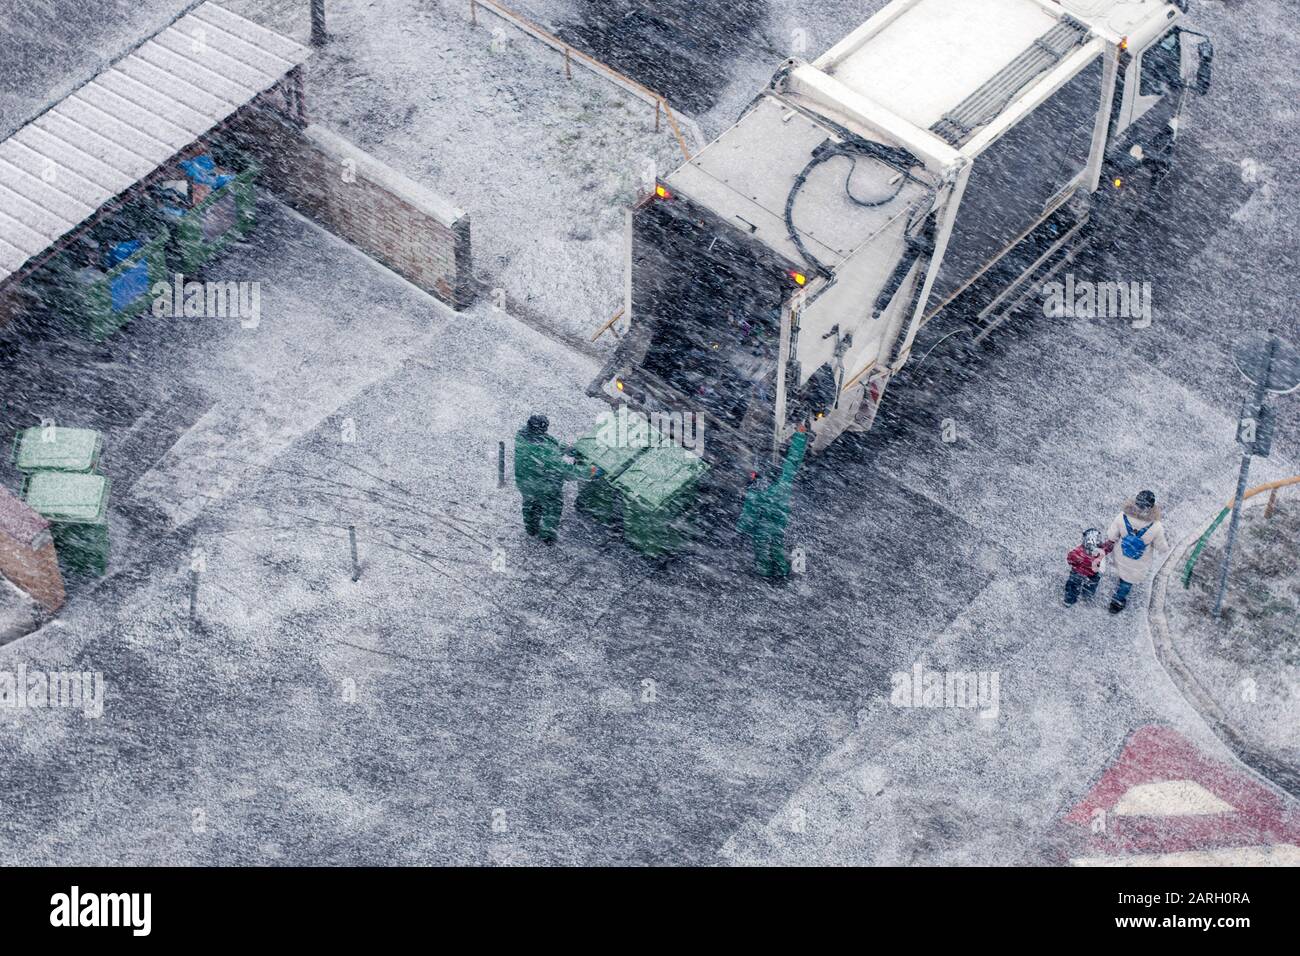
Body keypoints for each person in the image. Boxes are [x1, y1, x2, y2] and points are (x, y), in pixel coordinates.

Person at [738, 424, 809, 578]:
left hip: (762, 529)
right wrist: (800, 437)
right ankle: (782, 573)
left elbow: (748, 516)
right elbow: (793, 460)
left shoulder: (754, 494)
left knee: (761, 551)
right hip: (778, 525)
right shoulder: (783, 483)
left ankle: (765, 574)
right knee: (776, 547)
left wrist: (740, 530)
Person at [513, 414, 590, 544]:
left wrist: (561, 449)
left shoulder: (521, 437)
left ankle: (531, 528)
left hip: (525, 482)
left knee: (530, 504)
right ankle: (547, 536)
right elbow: (566, 471)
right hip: (546, 487)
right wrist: (590, 472)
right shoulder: (545, 452)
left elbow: (541, 451)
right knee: (552, 509)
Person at [1104, 490, 1169, 614]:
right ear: (1151, 507)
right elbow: (1162, 548)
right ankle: (1116, 603)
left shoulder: (1122, 516)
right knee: (1127, 582)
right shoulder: (1156, 526)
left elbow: (1111, 536)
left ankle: (1119, 584)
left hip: (1121, 555)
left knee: (1122, 570)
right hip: (1138, 561)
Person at [1064, 528, 1113, 606]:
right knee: (1092, 584)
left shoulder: (1078, 552)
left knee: (1072, 585)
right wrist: (1112, 542)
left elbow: (1070, 560)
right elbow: (1108, 548)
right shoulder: (1100, 550)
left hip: (1078, 573)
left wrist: (1075, 565)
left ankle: (1069, 600)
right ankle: (1087, 596)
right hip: (1093, 573)